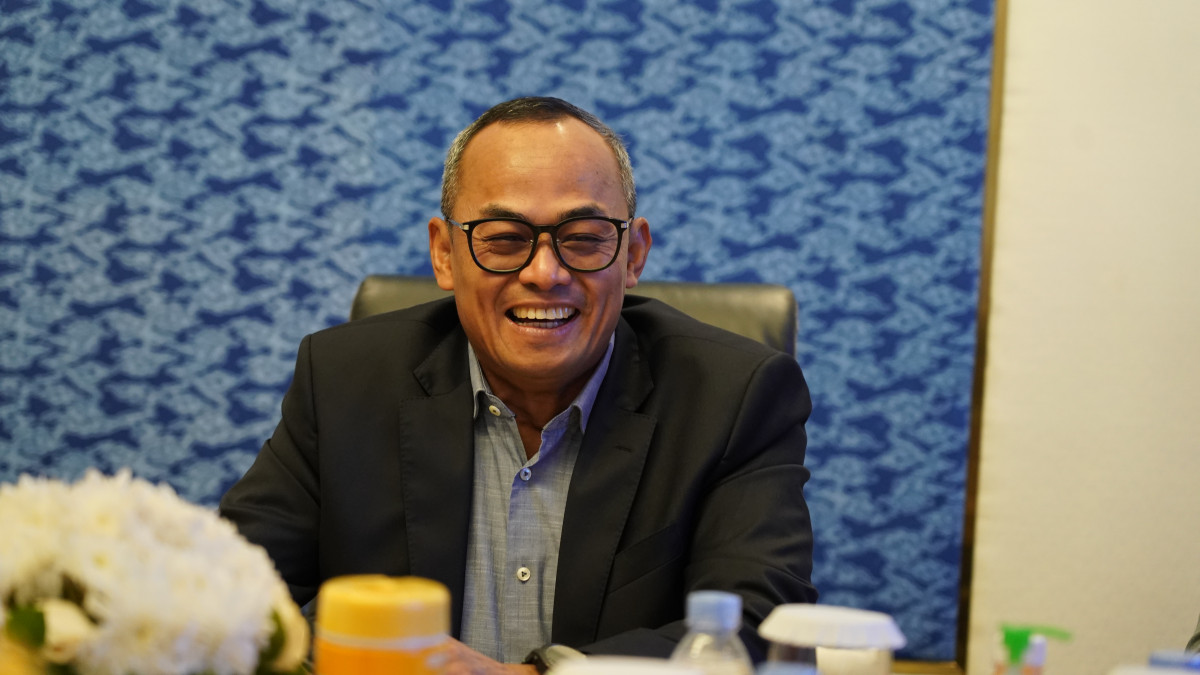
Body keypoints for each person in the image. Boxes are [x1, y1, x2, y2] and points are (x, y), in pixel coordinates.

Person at [219, 96, 816, 673]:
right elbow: (228, 595)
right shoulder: (345, 381)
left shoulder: (734, 398)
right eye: (503, 238)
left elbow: (761, 628)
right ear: (444, 254)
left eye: (583, 237)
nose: (544, 273)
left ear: (633, 254)